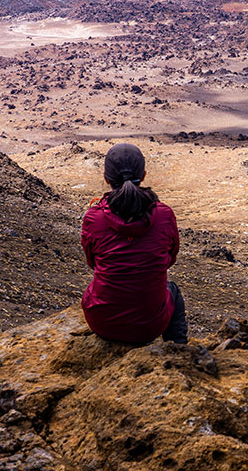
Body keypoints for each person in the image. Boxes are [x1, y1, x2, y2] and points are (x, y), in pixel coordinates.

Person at [80, 143, 187, 344]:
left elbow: (92, 261)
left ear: (106, 178)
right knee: (173, 290)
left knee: (94, 287)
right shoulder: (164, 215)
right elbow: (169, 259)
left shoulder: (94, 218)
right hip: (151, 326)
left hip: (102, 323)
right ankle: (178, 348)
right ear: (144, 175)